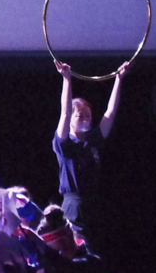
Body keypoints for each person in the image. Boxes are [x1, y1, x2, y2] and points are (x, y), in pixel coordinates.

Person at [52, 59, 129, 249]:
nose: (86, 119)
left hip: (93, 203)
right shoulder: (64, 143)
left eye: (88, 116)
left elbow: (110, 112)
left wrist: (119, 79)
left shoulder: (93, 139)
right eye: (80, 116)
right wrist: (67, 79)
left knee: (96, 250)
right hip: (74, 205)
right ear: (72, 119)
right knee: (78, 249)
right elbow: (64, 113)